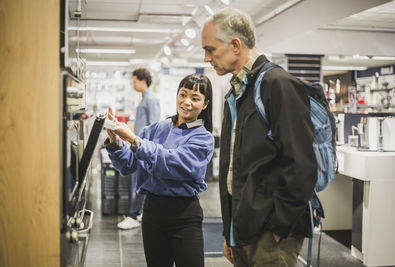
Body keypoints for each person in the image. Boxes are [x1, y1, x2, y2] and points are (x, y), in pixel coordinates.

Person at [201, 8, 318, 267]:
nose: (207, 58)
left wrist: (279, 226)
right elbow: (236, 170)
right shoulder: (236, 92)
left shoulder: (278, 84)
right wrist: (230, 232)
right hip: (243, 228)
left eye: (210, 49)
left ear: (235, 44)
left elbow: (302, 165)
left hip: (270, 235)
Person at [104, 73, 214, 267]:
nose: (186, 102)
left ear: (205, 104)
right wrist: (115, 142)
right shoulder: (156, 129)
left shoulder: (203, 138)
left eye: (195, 98)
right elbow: (128, 164)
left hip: (184, 215)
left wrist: (135, 140)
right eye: (183, 94)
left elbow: (173, 163)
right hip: (153, 213)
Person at [117, 68, 160, 230]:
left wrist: (145, 149)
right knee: (140, 181)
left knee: (140, 182)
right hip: (138, 145)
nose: (133, 84)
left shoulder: (151, 99)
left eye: (135, 81)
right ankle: (139, 212)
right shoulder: (145, 98)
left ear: (143, 81)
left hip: (144, 147)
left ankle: (133, 216)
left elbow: (154, 125)